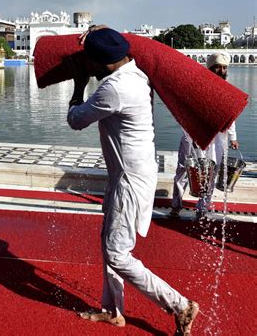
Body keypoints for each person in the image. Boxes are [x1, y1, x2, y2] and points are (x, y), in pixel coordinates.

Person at [66, 27, 199, 334]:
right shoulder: (135, 73)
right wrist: (97, 34)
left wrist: (77, 86)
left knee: (116, 252)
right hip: (129, 174)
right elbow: (108, 44)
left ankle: (179, 305)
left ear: (100, 63)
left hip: (129, 180)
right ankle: (112, 310)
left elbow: (75, 120)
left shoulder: (114, 88)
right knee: (108, 242)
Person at [170, 52, 239, 220]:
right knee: (183, 170)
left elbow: (230, 116)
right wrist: (192, 133)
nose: (222, 71)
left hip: (216, 139)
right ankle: (176, 205)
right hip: (192, 136)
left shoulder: (227, 90)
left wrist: (233, 138)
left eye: (224, 68)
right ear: (210, 69)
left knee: (211, 172)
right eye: (218, 68)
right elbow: (185, 113)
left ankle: (202, 210)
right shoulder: (196, 87)